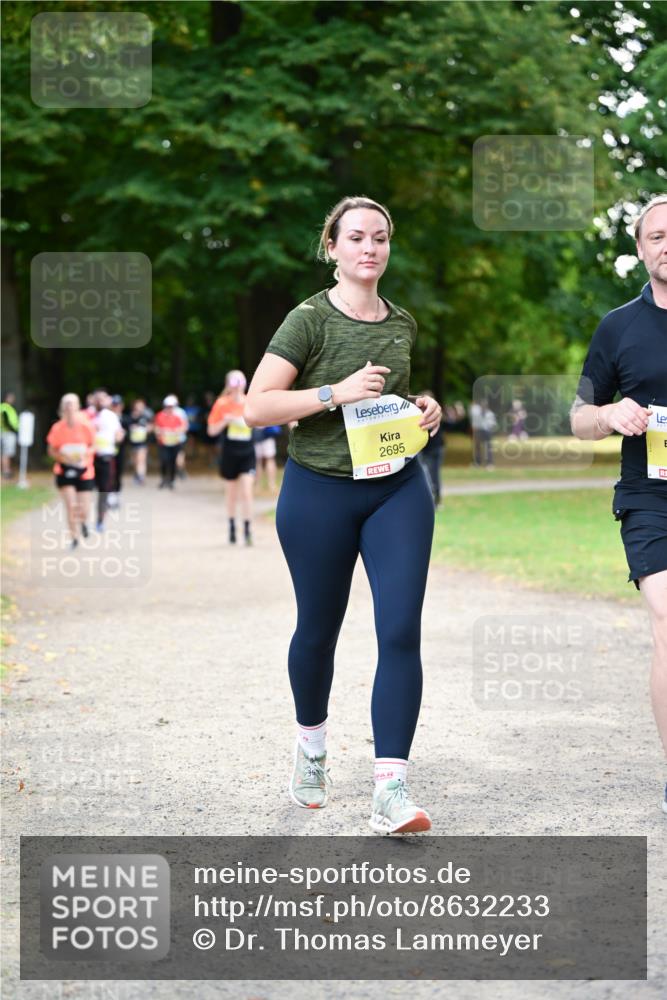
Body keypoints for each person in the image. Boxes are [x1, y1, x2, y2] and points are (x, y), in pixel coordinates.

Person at [244, 195, 442, 834]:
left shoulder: (402, 323)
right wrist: (335, 392)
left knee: (401, 630)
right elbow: (257, 406)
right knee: (318, 629)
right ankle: (311, 747)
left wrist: (424, 408)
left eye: (379, 237)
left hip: (395, 488)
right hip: (318, 492)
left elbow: (391, 400)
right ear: (332, 246)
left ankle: (391, 789)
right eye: (356, 237)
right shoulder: (308, 320)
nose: (369, 248)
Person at [570, 193, 667, 814]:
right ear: (640, 248)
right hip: (650, 498)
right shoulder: (619, 327)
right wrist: (608, 414)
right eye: (657, 236)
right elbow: (578, 419)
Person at [207, 371, 256, 545]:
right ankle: (232, 527)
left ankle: (248, 530)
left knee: (247, 492)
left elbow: (262, 422)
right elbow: (211, 431)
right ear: (229, 385)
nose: (238, 386)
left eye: (240, 382)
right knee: (231, 493)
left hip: (247, 452)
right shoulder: (222, 403)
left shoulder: (250, 401)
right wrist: (226, 421)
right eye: (234, 383)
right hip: (229, 453)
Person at [46, 393, 95, 547]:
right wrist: (63, 458)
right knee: (71, 505)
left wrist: (84, 455)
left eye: (71, 403)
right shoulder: (57, 428)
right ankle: (74, 538)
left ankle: (84, 522)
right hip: (64, 470)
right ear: (62, 407)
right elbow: (51, 450)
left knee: (84, 508)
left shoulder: (86, 426)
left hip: (84, 470)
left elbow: (94, 445)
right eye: (66, 403)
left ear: (77, 406)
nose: (68, 406)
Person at [91, 389, 124, 530]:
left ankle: (100, 521)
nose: (100, 401)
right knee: (84, 490)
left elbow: (119, 434)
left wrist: (117, 439)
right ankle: (83, 520)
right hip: (88, 459)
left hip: (106, 457)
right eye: (97, 398)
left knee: (103, 490)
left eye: (103, 398)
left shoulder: (111, 416)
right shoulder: (87, 415)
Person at [417, 390, 445, 507]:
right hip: (427, 449)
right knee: (429, 475)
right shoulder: (425, 414)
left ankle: (436, 500)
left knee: (433, 475)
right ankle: (433, 500)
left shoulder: (432, 414)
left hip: (433, 449)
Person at [154, 395, 187, 489]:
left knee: (173, 462)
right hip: (163, 443)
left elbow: (183, 427)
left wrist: (176, 431)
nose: (170, 409)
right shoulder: (160, 416)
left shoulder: (177, 417)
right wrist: (161, 431)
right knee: (164, 460)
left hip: (174, 443)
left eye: (171, 407)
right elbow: (156, 428)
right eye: (168, 407)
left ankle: (172, 480)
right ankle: (164, 478)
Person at [127, 397, 154, 484]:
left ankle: (141, 477)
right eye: (137, 406)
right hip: (133, 442)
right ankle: (137, 474)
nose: (139, 407)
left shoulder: (146, 416)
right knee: (134, 460)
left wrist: (146, 429)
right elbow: (126, 426)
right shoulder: (130, 416)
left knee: (141, 459)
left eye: (141, 406)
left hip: (143, 442)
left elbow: (151, 426)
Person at [253, 425, 280, 495]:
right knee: (269, 459)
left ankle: (257, 485)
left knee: (258, 461)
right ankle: (272, 485)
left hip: (257, 434)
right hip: (267, 433)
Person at [0, 391, 19, 480]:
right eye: (11, 397)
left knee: (3, 453)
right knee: (6, 453)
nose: (13, 399)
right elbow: (6, 420)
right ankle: (6, 471)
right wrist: (12, 429)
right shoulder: (5, 408)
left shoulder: (4, 407)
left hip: (5, 432)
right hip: (7, 433)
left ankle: (5, 470)